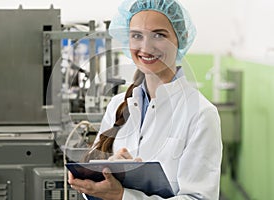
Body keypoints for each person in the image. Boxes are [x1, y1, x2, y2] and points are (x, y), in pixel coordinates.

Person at [68, 0, 223, 199]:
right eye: (136, 36)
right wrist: (107, 176)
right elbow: (96, 191)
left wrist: (122, 195)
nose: (146, 47)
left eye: (159, 35)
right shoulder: (117, 105)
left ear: (181, 38)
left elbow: (199, 198)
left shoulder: (201, 113)